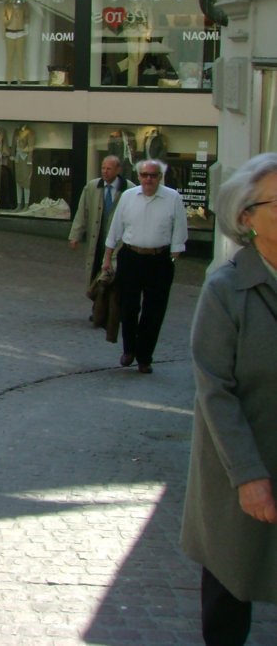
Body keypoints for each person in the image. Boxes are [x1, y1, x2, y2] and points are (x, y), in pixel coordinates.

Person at [180, 153, 277, 646]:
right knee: (230, 585)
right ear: (247, 217)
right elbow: (215, 390)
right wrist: (250, 477)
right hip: (239, 466)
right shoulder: (226, 289)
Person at [102, 158, 187, 373]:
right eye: (144, 175)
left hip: (159, 259)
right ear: (139, 176)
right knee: (128, 307)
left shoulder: (172, 198)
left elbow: (180, 228)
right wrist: (107, 257)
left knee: (154, 311)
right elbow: (115, 227)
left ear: (160, 177)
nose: (149, 179)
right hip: (131, 257)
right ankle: (129, 349)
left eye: (153, 175)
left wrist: (174, 256)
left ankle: (144, 357)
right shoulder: (128, 196)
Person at [68, 156, 134, 288]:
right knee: (96, 272)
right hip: (97, 238)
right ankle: (97, 297)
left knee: (116, 273)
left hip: (120, 241)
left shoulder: (129, 188)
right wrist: (75, 235)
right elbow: (82, 212)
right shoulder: (92, 187)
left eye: (109, 169)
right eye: (103, 168)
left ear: (118, 170)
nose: (105, 171)